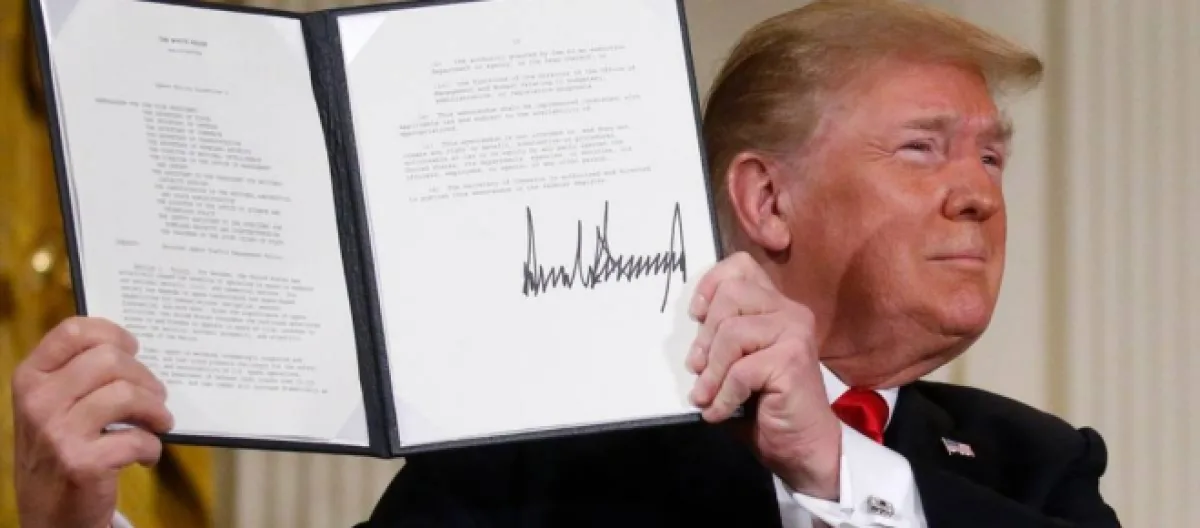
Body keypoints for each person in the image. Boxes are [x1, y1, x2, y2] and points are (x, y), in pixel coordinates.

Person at [12, 1, 1122, 527]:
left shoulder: (1037, 468)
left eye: (991, 156)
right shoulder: (541, 447)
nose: (978, 191)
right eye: (923, 148)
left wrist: (833, 469)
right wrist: (76, 523)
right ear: (765, 200)